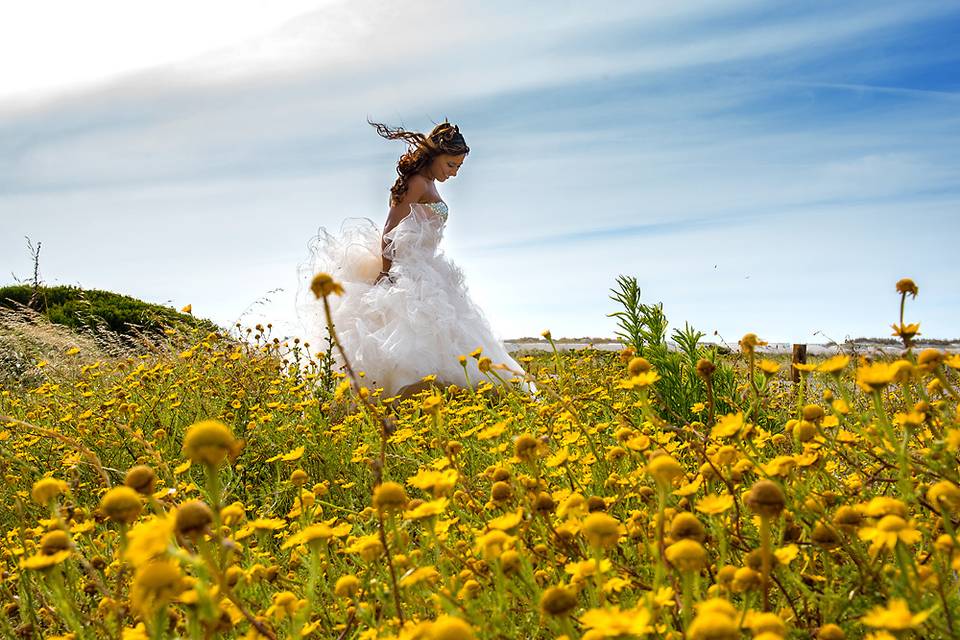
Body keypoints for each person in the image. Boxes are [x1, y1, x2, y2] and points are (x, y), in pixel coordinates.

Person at [296, 120, 536, 400]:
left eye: (458, 167)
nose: (454, 173)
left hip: (428, 268)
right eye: (450, 165)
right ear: (434, 156)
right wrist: (387, 273)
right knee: (412, 336)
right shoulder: (417, 182)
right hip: (408, 270)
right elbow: (390, 227)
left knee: (447, 334)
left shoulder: (428, 183)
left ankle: (450, 397)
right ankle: (410, 396)